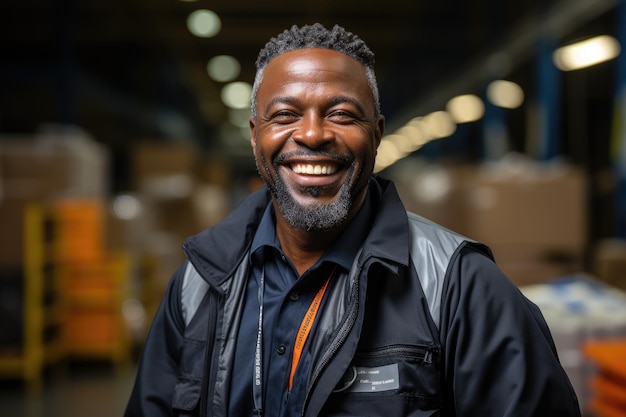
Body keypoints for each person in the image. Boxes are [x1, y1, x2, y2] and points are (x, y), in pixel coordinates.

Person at [124, 23, 581, 417]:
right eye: (285, 114)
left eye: (341, 114)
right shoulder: (199, 284)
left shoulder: (460, 286)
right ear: (255, 135)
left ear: (377, 134)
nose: (312, 134)